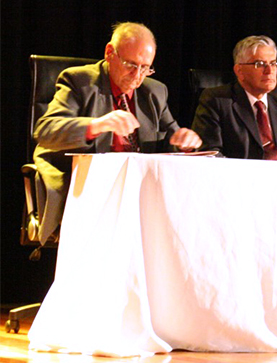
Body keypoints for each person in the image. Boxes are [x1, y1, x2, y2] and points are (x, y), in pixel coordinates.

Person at [32, 22, 201, 244]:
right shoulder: (78, 81)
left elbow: (172, 135)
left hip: (139, 188)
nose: (137, 75)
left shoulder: (154, 92)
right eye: (131, 64)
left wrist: (183, 141)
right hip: (91, 185)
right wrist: (97, 125)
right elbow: (45, 131)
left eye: (145, 67)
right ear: (109, 53)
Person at [192, 35, 277, 161]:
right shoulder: (216, 102)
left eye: (273, 63)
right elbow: (210, 155)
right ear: (239, 70)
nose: (269, 70)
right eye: (260, 64)